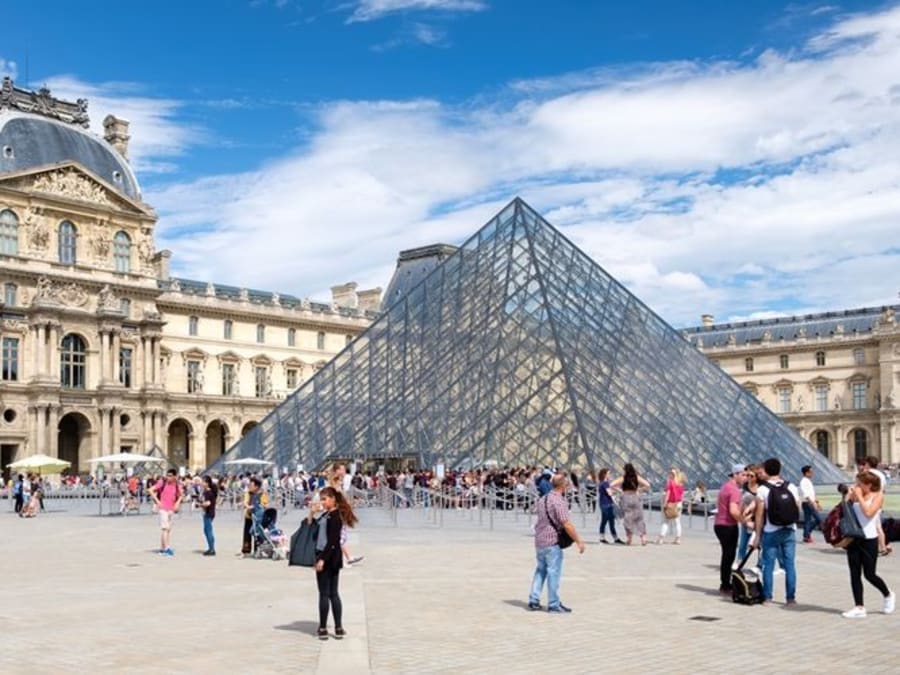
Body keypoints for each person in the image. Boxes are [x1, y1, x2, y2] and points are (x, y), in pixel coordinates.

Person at [527, 473, 586, 613]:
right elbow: (566, 524)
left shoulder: (543, 499)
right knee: (554, 573)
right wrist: (579, 541)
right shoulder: (559, 501)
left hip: (540, 540)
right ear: (564, 486)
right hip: (552, 542)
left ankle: (533, 600)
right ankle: (553, 604)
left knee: (540, 571)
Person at [841, 471, 895, 618]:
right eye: (856, 483)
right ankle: (859, 606)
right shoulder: (855, 495)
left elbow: (869, 513)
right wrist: (847, 498)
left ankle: (888, 594)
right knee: (854, 573)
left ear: (869, 485)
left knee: (869, 574)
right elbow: (845, 512)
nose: (857, 486)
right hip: (854, 538)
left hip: (869, 539)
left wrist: (858, 496)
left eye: (860, 483)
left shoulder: (878, 496)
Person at [752, 457, 801, 605]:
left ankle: (768, 597)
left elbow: (759, 515)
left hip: (771, 531)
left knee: (768, 564)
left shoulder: (762, 489)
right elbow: (797, 509)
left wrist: (757, 535)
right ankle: (790, 598)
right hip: (789, 530)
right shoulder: (791, 486)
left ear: (766, 471)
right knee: (790, 565)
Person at [313, 486, 358, 640]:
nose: (322, 502)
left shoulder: (334, 516)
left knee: (326, 594)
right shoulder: (327, 515)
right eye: (321, 499)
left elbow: (333, 541)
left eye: (324, 499)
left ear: (332, 499)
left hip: (328, 557)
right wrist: (312, 513)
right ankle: (338, 627)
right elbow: (310, 525)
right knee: (333, 593)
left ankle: (324, 627)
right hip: (333, 557)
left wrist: (322, 559)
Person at [714, 464, 746, 594]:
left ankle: (725, 583)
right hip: (728, 526)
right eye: (743, 475)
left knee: (727, 555)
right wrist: (744, 521)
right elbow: (733, 511)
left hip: (719, 524)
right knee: (729, 555)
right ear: (735, 474)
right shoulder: (734, 490)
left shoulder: (724, 487)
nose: (745, 478)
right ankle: (726, 585)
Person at [329, 463, 363, 566]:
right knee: (340, 536)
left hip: (339, 511)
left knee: (339, 535)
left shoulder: (338, 482)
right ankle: (346, 558)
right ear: (337, 470)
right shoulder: (334, 482)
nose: (344, 471)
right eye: (342, 469)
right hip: (337, 511)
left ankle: (346, 557)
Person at [857, 456, 891, 556]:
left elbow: (860, 487)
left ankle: (884, 547)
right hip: (878, 501)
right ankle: (884, 546)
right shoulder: (881, 474)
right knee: (877, 525)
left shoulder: (866, 474)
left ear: (867, 463)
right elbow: (883, 489)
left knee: (876, 526)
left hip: (868, 501)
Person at [609, 463, 650, 546]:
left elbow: (611, 485)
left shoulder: (623, 478)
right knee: (639, 518)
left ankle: (629, 538)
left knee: (628, 519)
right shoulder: (637, 477)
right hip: (635, 498)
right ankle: (643, 538)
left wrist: (619, 490)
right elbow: (648, 485)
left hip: (626, 498)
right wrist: (639, 490)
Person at [150, 469, 183, 556]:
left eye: (170, 476)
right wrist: (158, 501)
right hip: (163, 508)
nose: (168, 477)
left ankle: (162, 548)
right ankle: (166, 548)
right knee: (165, 528)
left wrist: (177, 503)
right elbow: (150, 490)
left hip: (171, 509)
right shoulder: (162, 482)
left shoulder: (177, 485)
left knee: (167, 530)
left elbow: (181, 495)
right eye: (167, 475)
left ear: (175, 476)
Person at [737, 464, 760, 561]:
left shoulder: (761, 487)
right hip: (746, 519)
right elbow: (741, 504)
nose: (748, 478)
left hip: (758, 519)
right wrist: (743, 518)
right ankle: (739, 561)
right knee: (743, 543)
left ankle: (760, 565)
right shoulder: (745, 486)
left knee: (760, 545)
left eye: (751, 476)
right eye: (747, 475)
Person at [656, 468, 685, 545]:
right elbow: (682, 495)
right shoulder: (680, 483)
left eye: (670, 473)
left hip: (670, 504)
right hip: (678, 504)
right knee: (677, 522)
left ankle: (661, 538)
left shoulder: (670, 483)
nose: (669, 474)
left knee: (665, 522)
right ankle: (678, 539)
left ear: (672, 475)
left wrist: (665, 503)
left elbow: (668, 494)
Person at [242, 476, 269, 555]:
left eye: (251, 485)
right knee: (247, 533)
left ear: (256, 486)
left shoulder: (262, 494)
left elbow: (266, 504)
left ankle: (257, 549)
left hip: (258, 517)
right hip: (249, 516)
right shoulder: (248, 493)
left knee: (257, 533)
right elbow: (245, 502)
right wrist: (248, 507)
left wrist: (263, 506)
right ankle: (246, 550)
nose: (249, 487)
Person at [597, 468, 624, 544]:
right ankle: (614, 538)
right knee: (609, 521)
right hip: (607, 504)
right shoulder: (605, 483)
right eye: (609, 473)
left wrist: (615, 490)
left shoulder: (602, 483)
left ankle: (604, 537)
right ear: (605, 474)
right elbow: (609, 493)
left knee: (605, 521)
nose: (610, 475)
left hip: (603, 504)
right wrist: (617, 492)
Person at [798, 465, 822, 543]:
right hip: (808, 503)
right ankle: (807, 534)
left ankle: (806, 535)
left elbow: (812, 494)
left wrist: (817, 503)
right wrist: (813, 503)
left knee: (808, 520)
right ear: (806, 473)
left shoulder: (808, 481)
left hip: (809, 503)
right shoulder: (803, 482)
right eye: (811, 472)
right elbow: (806, 495)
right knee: (818, 519)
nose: (812, 473)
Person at [200, 475, 218, 556]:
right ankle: (211, 548)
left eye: (203, 481)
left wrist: (200, 504)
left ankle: (212, 549)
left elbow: (208, 503)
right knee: (206, 530)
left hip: (208, 513)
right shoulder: (208, 491)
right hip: (209, 513)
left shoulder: (208, 492)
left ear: (207, 483)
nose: (201, 483)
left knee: (208, 530)